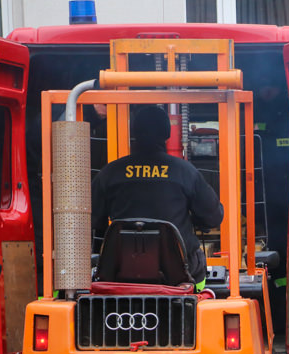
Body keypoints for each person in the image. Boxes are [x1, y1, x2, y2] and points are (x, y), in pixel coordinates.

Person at [91, 105, 223, 289]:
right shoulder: (185, 172)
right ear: (167, 133)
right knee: (197, 258)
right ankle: (196, 297)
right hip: (178, 276)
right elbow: (214, 217)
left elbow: (91, 220)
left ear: (134, 132)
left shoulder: (109, 173)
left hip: (120, 272)